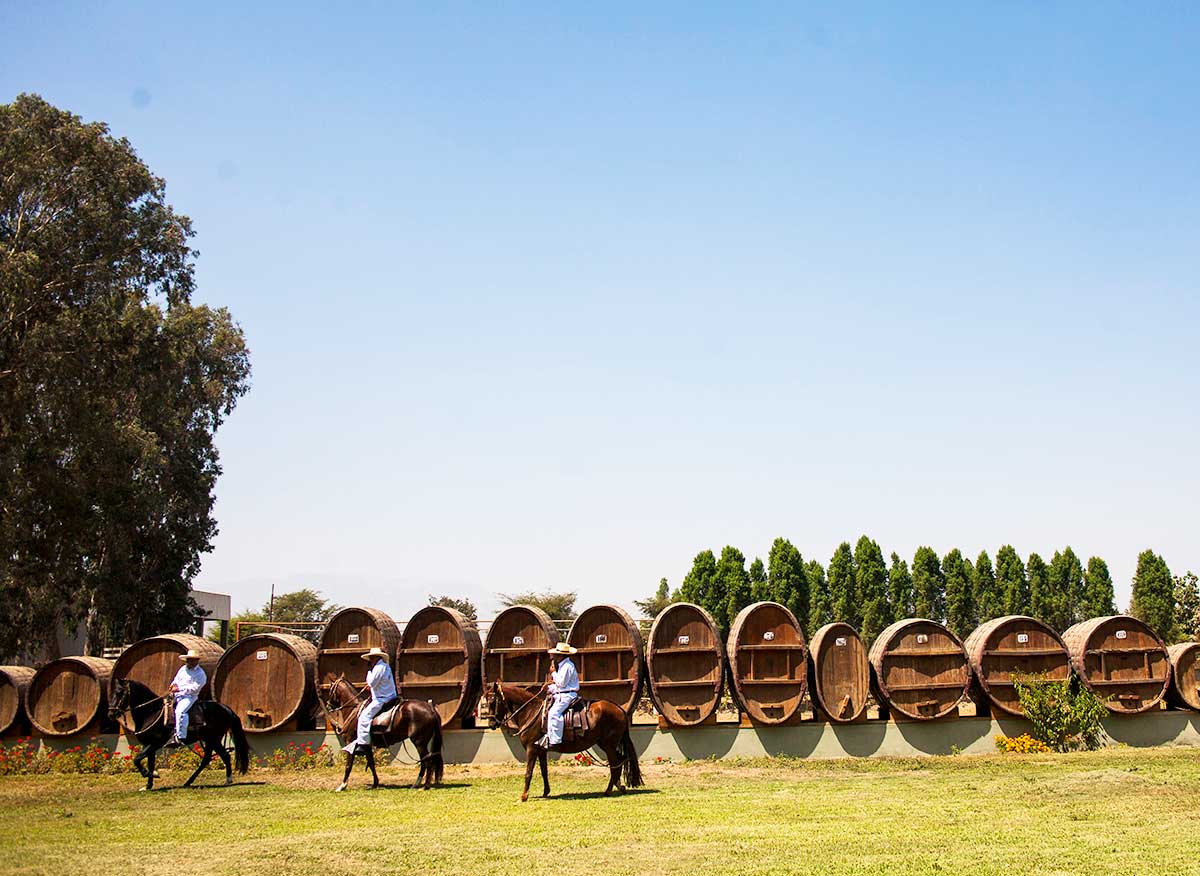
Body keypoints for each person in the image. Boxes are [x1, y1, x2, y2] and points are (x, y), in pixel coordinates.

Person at [346, 646, 397, 754]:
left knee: (364, 717)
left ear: (375, 658)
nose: (370, 661)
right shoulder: (385, 666)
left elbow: (372, 683)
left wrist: (369, 673)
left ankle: (363, 744)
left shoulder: (378, 668)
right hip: (389, 696)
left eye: (371, 658)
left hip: (382, 698)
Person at [537, 642, 579, 749]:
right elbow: (561, 686)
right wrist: (549, 688)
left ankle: (555, 740)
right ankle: (548, 736)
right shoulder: (564, 665)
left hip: (567, 696)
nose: (554, 656)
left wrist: (553, 673)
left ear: (561, 655)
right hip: (563, 693)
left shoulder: (567, 666)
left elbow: (561, 683)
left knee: (554, 713)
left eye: (556, 654)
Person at [168, 649, 207, 746]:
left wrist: (179, 689)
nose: (189, 662)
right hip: (177, 695)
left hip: (189, 697)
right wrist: (173, 685)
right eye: (188, 659)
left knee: (180, 712)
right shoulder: (182, 669)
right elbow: (176, 679)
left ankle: (180, 737)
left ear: (196, 661)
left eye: (192, 660)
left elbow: (195, 688)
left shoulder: (201, 674)